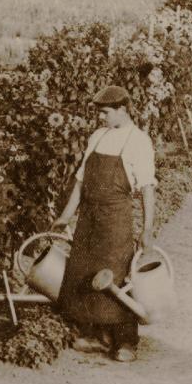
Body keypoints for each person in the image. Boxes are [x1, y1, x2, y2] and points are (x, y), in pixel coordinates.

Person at [53, 85, 157, 362]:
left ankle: (126, 342)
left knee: (117, 275)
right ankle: (92, 334)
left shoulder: (138, 141)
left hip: (115, 218)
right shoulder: (98, 137)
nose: (100, 117)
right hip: (88, 217)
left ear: (123, 110)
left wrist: (147, 229)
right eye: (99, 112)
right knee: (83, 271)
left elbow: (147, 188)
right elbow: (80, 181)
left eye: (105, 112)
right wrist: (65, 216)